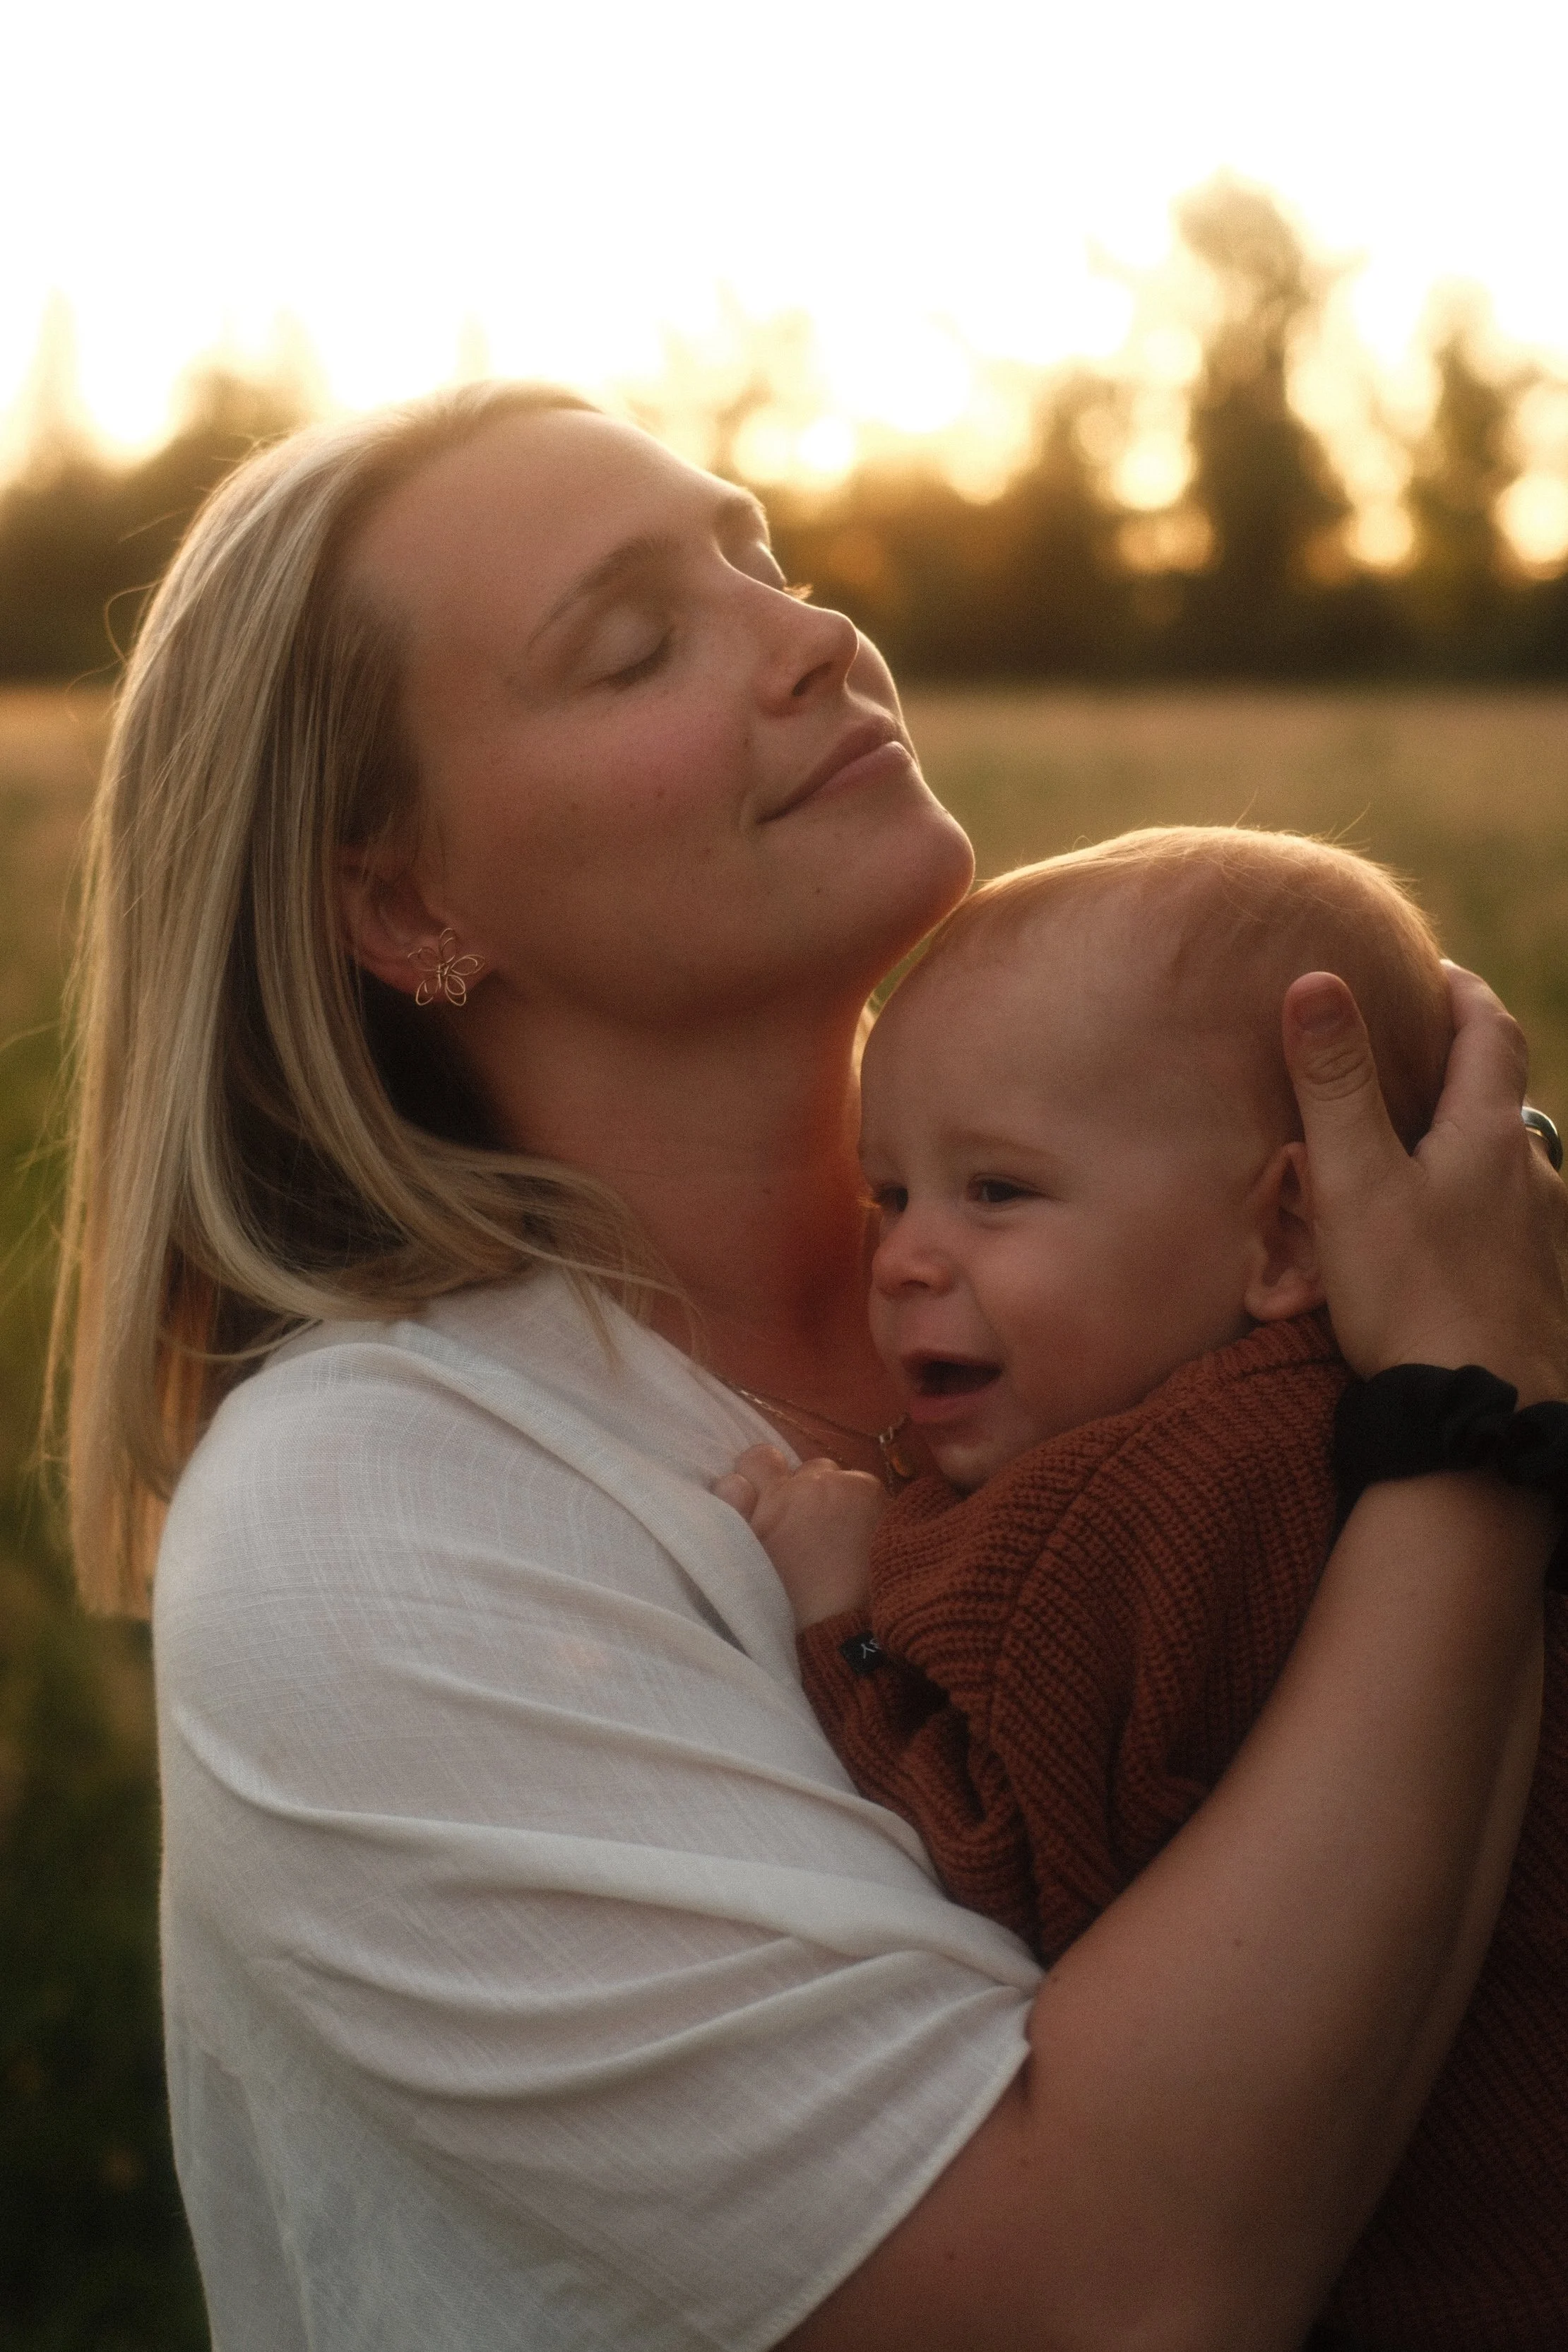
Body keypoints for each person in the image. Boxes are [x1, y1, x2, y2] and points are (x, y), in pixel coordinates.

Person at [47, 379, 1568, 2352]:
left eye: (759, 560)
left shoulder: (1162, 1259)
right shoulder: (377, 1510)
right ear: (407, 900)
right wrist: (1467, 1431)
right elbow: (1100, 2298)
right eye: (634, 645)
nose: (811, 638)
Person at [717, 826, 1568, 2349]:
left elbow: (1009, 1879)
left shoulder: (1130, 1508)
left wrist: (844, 1622)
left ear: (1287, 1232)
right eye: (891, 1194)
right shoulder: (1393, 1402)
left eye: (997, 1191)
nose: (907, 1259)